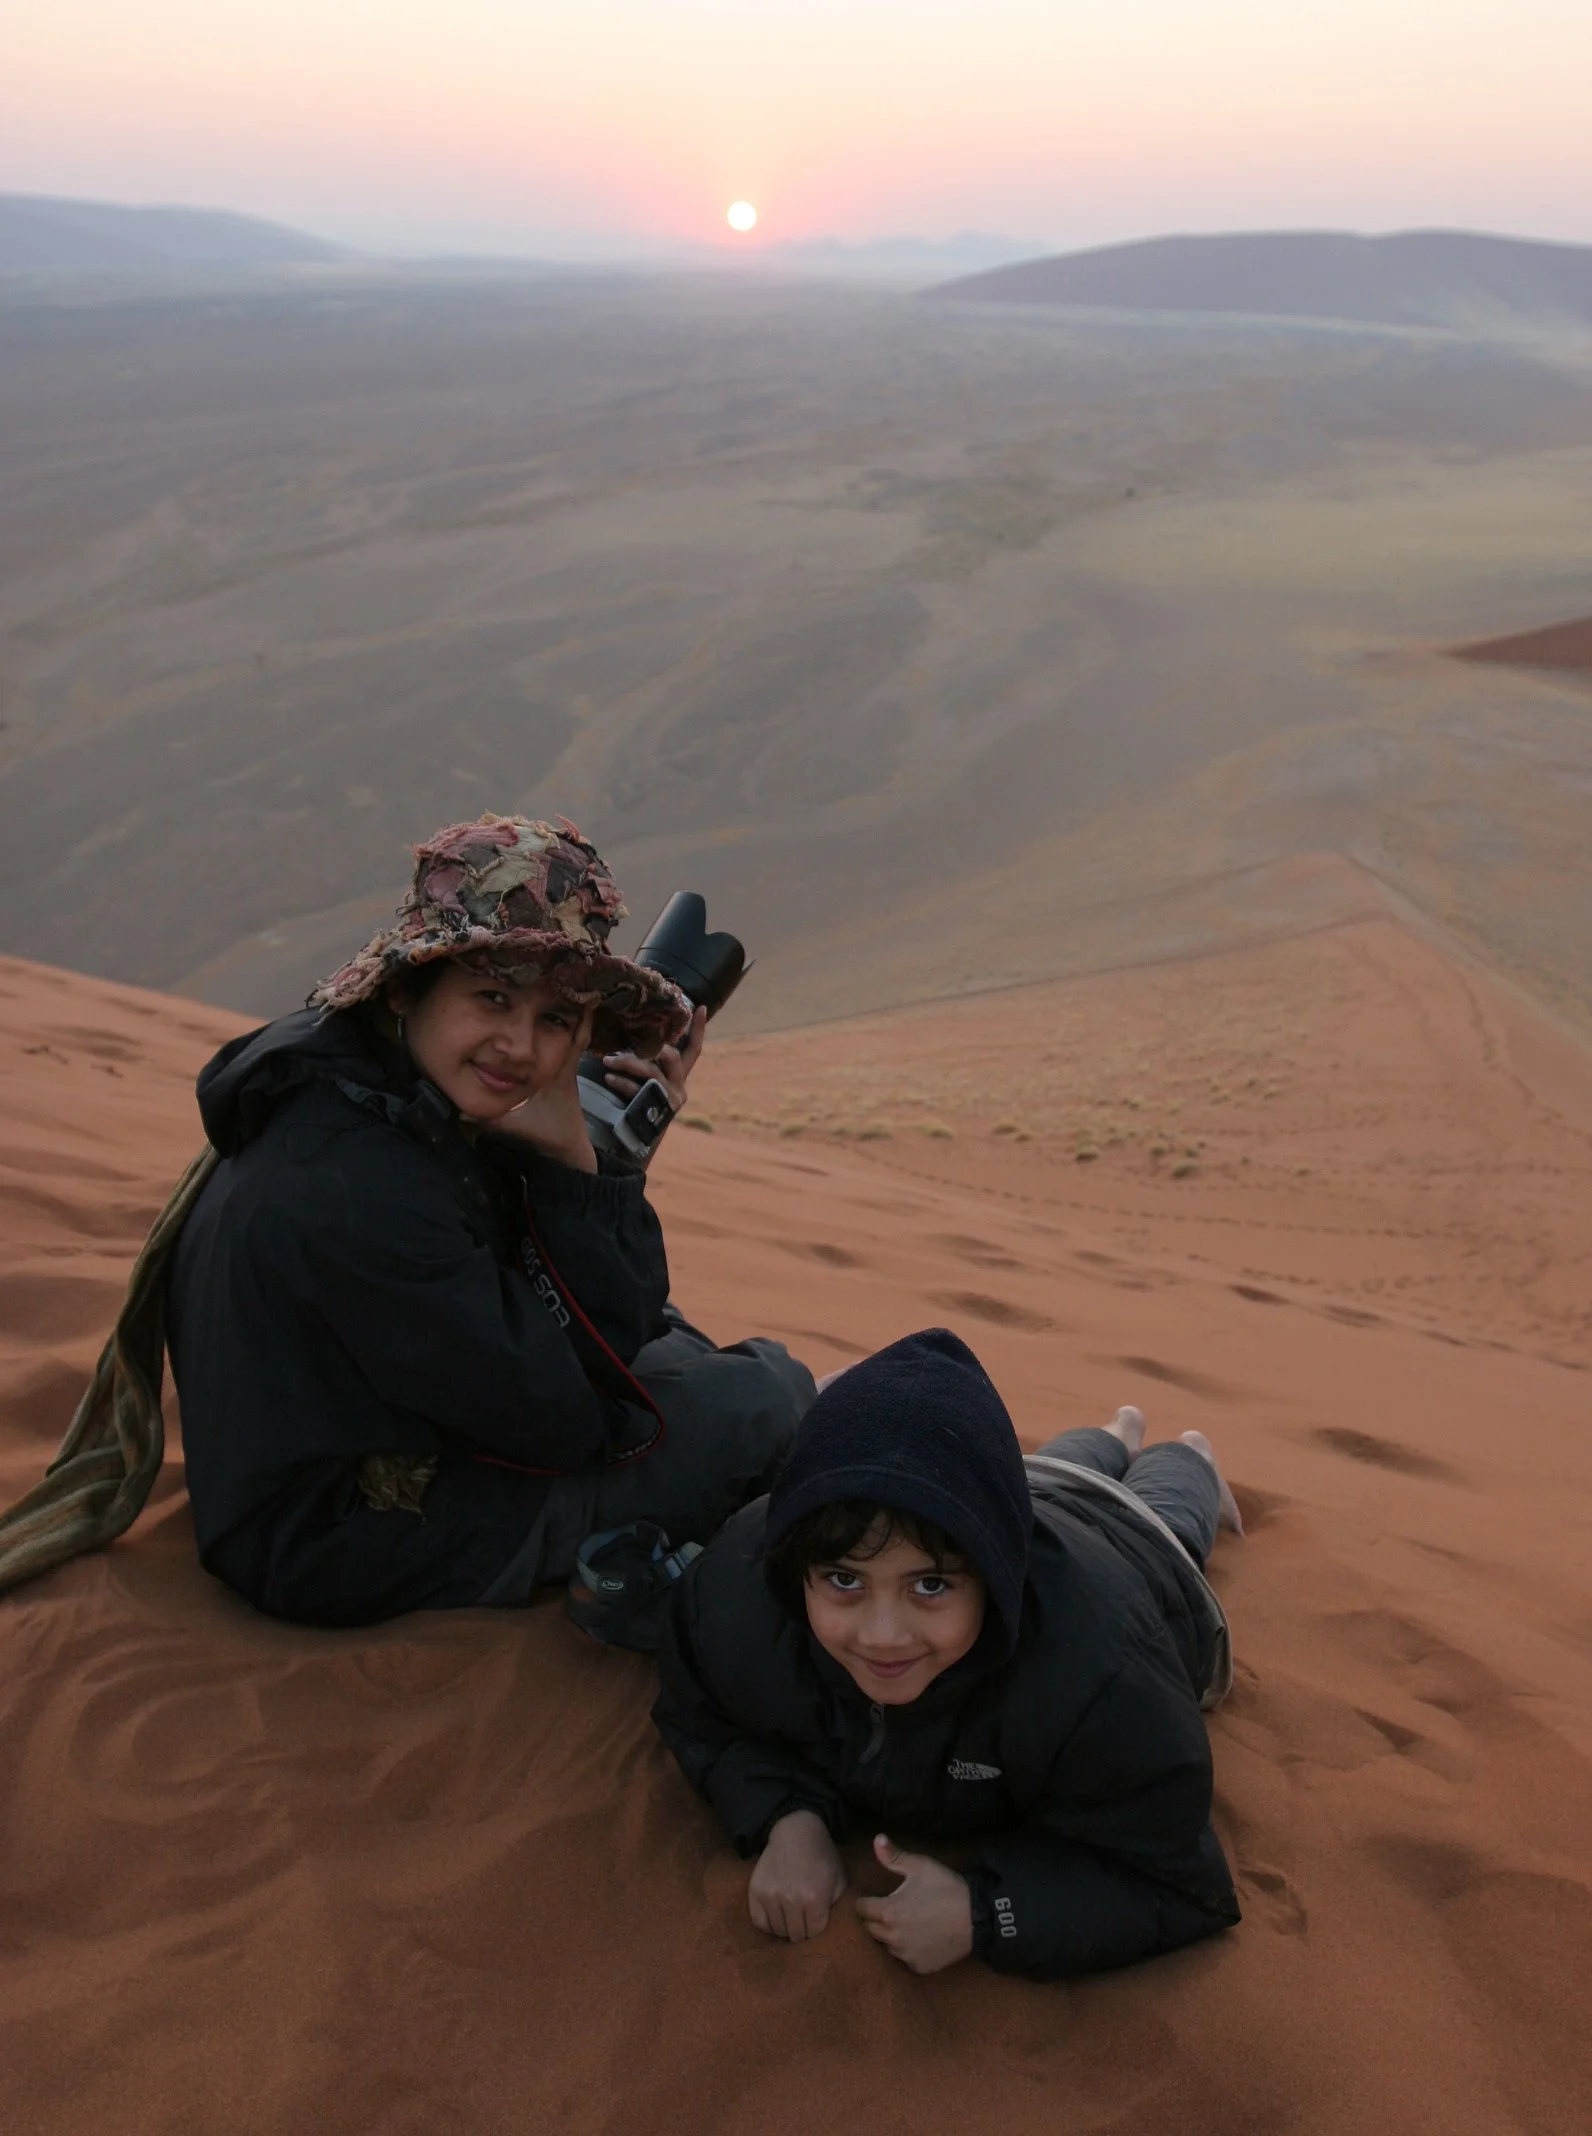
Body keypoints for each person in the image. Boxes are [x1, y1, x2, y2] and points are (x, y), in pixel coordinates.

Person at [163, 812, 814, 1628]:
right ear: (407, 985)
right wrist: (582, 1167)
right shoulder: (352, 1185)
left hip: (364, 1447)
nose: (519, 1048)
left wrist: (608, 1155)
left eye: (555, 1021)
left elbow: (541, 1302)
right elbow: (567, 1423)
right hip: (334, 1536)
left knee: (684, 1353)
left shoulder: (365, 1089)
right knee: (760, 1398)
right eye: (493, 998)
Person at [653, 1327, 1243, 1980]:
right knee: (1057, 1466)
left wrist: (985, 1912)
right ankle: (1114, 1431)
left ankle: (1191, 1456)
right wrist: (782, 1816)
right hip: (999, 1495)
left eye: (930, 1586)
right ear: (798, 1568)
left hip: (1136, 1552)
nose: (882, 1635)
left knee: (1169, 1505)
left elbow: (1176, 1881)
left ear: (990, 1582)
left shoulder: (1103, 1673)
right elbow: (697, 1711)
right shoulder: (740, 1587)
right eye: (844, 1580)